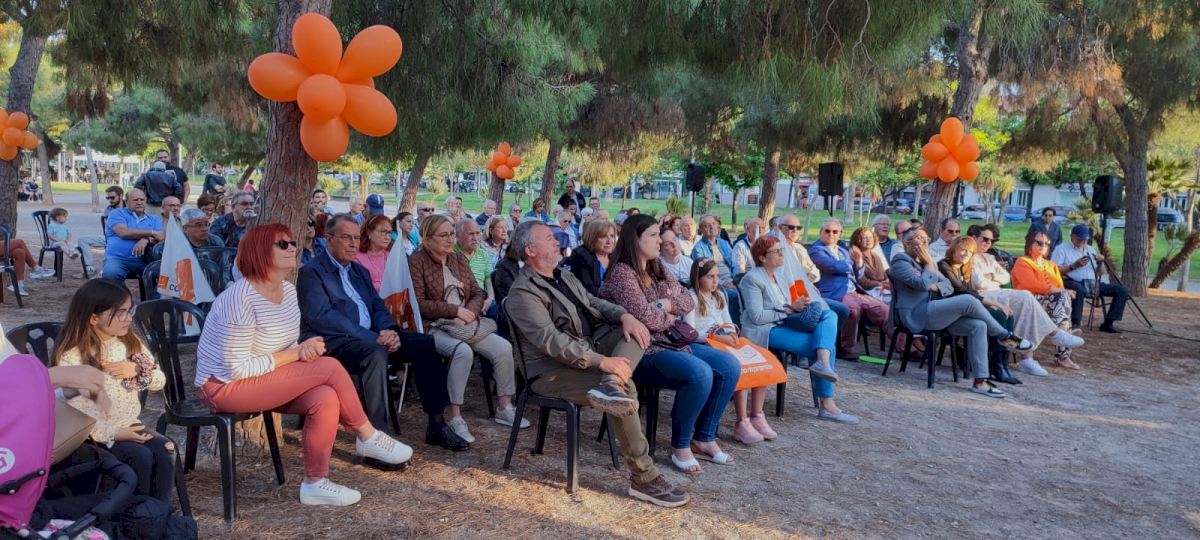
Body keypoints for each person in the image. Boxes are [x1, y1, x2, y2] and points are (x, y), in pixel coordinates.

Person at [197, 223, 414, 506]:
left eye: (292, 243)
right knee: (329, 367)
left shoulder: (288, 292)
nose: (293, 248)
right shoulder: (239, 298)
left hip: (266, 378)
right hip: (223, 387)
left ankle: (315, 483)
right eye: (282, 244)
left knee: (325, 396)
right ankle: (367, 434)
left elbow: (287, 345)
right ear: (259, 251)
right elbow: (234, 369)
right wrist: (297, 354)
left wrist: (303, 351)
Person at [505, 220, 689, 507]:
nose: (557, 241)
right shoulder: (522, 293)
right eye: (549, 238)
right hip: (552, 372)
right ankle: (644, 478)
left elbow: (595, 302)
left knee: (637, 328)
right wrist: (603, 362)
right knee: (625, 391)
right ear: (530, 250)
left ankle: (611, 384)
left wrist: (624, 316)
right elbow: (552, 342)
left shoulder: (563, 276)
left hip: (588, 350)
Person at [297, 215, 465, 449]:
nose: (353, 244)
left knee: (424, 343)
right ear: (328, 239)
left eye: (357, 238)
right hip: (333, 341)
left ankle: (437, 425)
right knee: (374, 352)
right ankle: (375, 437)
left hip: (372, 337)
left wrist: (389, 330)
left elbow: (378, 306)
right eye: (346, 238)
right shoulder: (312, 272)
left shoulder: (358, 271)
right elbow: (323, 318)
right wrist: (373, 337)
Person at [600, 214, 739, 474]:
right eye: (653, 236)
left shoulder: (657, 267)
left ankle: (704, 437)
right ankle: (681, 445)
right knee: (699, 373)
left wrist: (664, 305)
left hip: (671, 341)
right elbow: (646, 318)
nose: (660, 242)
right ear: (634, 239)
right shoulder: (622, 274)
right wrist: (669, 314)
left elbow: (686, 300)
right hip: (642, 350)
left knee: (729, 365)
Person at [52, 279, 173, 503]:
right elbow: (78, 416)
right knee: (140, 457)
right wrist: (116, 433)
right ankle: (134, 513)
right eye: (120, 313)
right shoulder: (72, 357)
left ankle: (159, 512)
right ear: (93, 317)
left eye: (130, 310)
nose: (128, 318)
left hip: (130, 424)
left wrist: (138, 370)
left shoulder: (130, 342)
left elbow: (160, 381)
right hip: (91, 437)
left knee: (164, 452)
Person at [408, 214, 526, 443]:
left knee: (503, 348)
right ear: (427, 238)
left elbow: (477, 292)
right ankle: (454, 416)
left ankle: (504, 407)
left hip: (466, 324)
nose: (449, 239)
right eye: (443, 235)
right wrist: (455, 311)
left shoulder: (458, 259)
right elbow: (418, 303)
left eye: (451, 234)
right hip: (435, 325)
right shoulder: (416, 262)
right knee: (462, 352)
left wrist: (469, 312)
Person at [889, 228, 1033, 397]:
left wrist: (931, 282)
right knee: (968, 300)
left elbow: (948, 286)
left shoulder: (927, 262)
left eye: (926, 238)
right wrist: (928, 269)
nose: (926, 242)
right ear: (907, 242)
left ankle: (980, 381)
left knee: (978, 326)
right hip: (915, 315)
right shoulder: (901, 261)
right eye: (920, 239)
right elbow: (922, 285)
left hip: (934, 311)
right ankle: (1003, 335)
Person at [739, 235, 852, 421]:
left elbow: (786, 303)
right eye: (776, 251)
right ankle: (827, 404)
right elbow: (757, 317)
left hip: (785, 321)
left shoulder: (779, 276)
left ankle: (822, 364)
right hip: (765, 330)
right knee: (823, 346)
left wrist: (800, 303)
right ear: (762, 257)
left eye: (782, 250)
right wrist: (790, 309)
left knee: (830, 314)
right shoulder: (751, 280)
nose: (781, 254)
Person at [953, 233, 1085, 379]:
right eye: (985, 239)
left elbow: (1005, 277)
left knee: (1053, 299)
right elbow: (979, 283)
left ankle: (1039, 353)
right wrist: (993, 280)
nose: (988, 242)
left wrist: (992, 277)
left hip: (1002, 294)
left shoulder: (989, 258)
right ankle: (1054, 335)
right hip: (989, 294)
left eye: (991, 240)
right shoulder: (1020, 261)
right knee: (1027, 297)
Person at [686, 258, 777, 443]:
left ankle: (757, 415)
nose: (715, 281)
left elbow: (727, 321)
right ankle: (742, 421)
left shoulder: (719, 295)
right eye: (710, 277)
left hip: (724, 339)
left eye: (717, 276)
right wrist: (716, 337)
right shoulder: (691, 298)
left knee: (760, 360)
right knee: (739, 365)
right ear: (697, 277)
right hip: (706, 343)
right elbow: (691, 333)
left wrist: (731, 332)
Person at [809, 219, 890, 360]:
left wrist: (858, 264)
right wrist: (855, 264)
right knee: (853, 310)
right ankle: (846, 348)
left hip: (855, 291)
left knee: (884, 310)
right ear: (820, 232)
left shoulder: (842, 251)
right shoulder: (816, 250)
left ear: (840, 234)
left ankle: (906, 348)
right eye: (827, 231)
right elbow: (834, 266)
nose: (831, 234)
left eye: (835, 232)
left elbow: (859, 274)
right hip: (836, 293)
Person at [1011, 229, 1083, 370]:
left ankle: (1061, 336)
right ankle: (1062, 345)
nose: (1043, 246)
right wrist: (1060, 291)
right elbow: (1030, 285)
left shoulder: (1051, 266)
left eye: (1046, 243)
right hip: (1027, 301)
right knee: (1062, 298)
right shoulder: (1023, 262)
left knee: (1064, 299)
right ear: (1030, 243)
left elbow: (1060, 288)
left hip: (1049, 305)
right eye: (1039, 243)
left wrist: (1066, 293)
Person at [1051, 224, 1129, 333]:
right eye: (1080, 239)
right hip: (1071, 281)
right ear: (1072, 236)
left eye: (1085, 239)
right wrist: (1073, 266)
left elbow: (1099, 273)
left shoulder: (1090, 249)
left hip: (1092, 282)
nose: (1083, 242)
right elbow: (1054, 270)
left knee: (1122, 290)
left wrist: (1101, 263)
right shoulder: (1061, 249)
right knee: (1078, 289)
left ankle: (1108, 323)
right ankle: (1075, 323)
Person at [102, 189, 164, 281]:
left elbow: (160, 237)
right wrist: (152, 233)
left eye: (142, 200)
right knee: (110, 274)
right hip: (118, 259)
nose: (139, 202)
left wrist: (145, 239)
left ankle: (153, 292)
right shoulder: (117, 213)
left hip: (146, 261)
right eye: (135, 200)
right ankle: (121, 291)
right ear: (126, 202)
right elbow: (124, 233)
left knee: (165, 274)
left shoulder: (154, 219)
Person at [691, 214, 741, 322]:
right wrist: (724, 283)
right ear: (701, 230)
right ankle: (734, 325)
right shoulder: (698, 248)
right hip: (716, 281)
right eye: (707, 225)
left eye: (713, 224)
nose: (711, 227)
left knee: (749, 289)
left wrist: (737, 279)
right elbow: (704, 273)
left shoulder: (724, 243)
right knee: (734, 295)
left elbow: (735, 263)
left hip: (732, 279)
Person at [150, 208, 224, 261]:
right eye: (198, 225)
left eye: (206, 224)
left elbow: (223, 268)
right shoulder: (173, 243)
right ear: (185, 228)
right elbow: (158, 250)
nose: (204, 229)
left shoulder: (216, 242)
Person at [568, 219, 617, 296]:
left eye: (612, 236)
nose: (609, 241)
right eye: (603, 236)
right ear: (592, 238)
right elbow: (588, 290)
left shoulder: (616, 255)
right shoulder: (581, 256)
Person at [47, 207, 96, 273]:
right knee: (62, 243)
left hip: (65, 241)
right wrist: (59, 240)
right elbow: (49, 235)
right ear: (57, 217)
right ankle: (70, 255)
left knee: (70, 242)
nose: (66, 218)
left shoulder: (64, 226)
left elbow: (68, 233)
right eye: (64, 217)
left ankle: (73, 253)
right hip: (54, 243)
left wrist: (69, 238)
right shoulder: (51, 225)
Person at [849, 227, 890, 304]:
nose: (868, 240)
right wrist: (880, 284)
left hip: (881, 289)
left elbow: (884, 276)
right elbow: (861, 282)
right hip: (867, 292)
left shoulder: (875, 255)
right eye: (865, 237)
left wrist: (886, 283)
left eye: (870, 237)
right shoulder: (855, 256)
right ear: (858, 240)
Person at [354, 215, 393, 292]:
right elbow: (359, 288)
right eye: (383, 232)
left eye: (389, 233)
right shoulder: (356, 258)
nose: (387, 237)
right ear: (369, 233)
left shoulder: (392, 256)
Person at [454, 218, 491, 294]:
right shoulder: (451, 253)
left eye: (477, 233)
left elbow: (488, 282)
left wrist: (490, 297)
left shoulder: (483, 254)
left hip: (480, 295)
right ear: (458, 236)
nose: (475, 238)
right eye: (470, 234)